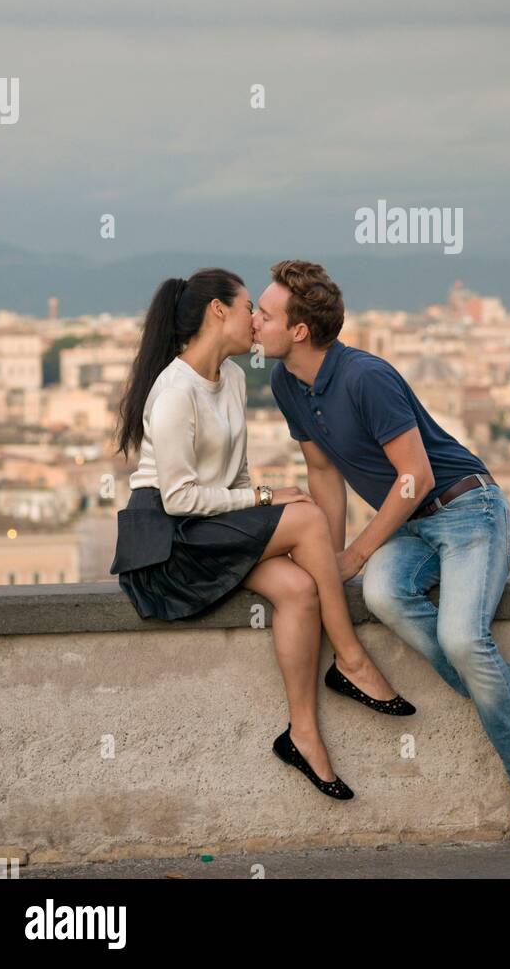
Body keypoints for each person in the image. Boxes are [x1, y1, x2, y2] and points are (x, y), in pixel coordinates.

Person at [255, 259, 510, 850]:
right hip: (412, 527)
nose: (253, 322)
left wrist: (357, 553)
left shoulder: (365, 377)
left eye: (265, 314)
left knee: (461, 640)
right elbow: (323, 473)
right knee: (382, 595)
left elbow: (414, 477)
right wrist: (333, 555)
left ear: (299, 331)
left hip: (467, 507)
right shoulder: (285, 384)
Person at [110, 266, 414, 801]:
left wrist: (263, 499)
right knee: (308, 516)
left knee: (298, 591)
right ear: (217, 311)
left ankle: (302, 734)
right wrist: (268, 500)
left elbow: (239, 476)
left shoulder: (228, 378)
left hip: (210, 528)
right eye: (249, 305)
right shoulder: (176, 390)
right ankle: (351, 659)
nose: (256, 318)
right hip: (168, 543)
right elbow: (179, 498)